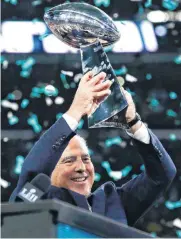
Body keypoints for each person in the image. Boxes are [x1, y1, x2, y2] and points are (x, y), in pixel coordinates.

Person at [10, 71, 176, 227]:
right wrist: (76, 110)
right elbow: (32, 171)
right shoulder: (36, 200)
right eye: (69, 160)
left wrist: (132, 122)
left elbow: (161, 175)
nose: (81, 168)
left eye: (86, 159)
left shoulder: (113, 202)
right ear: (49, 169)